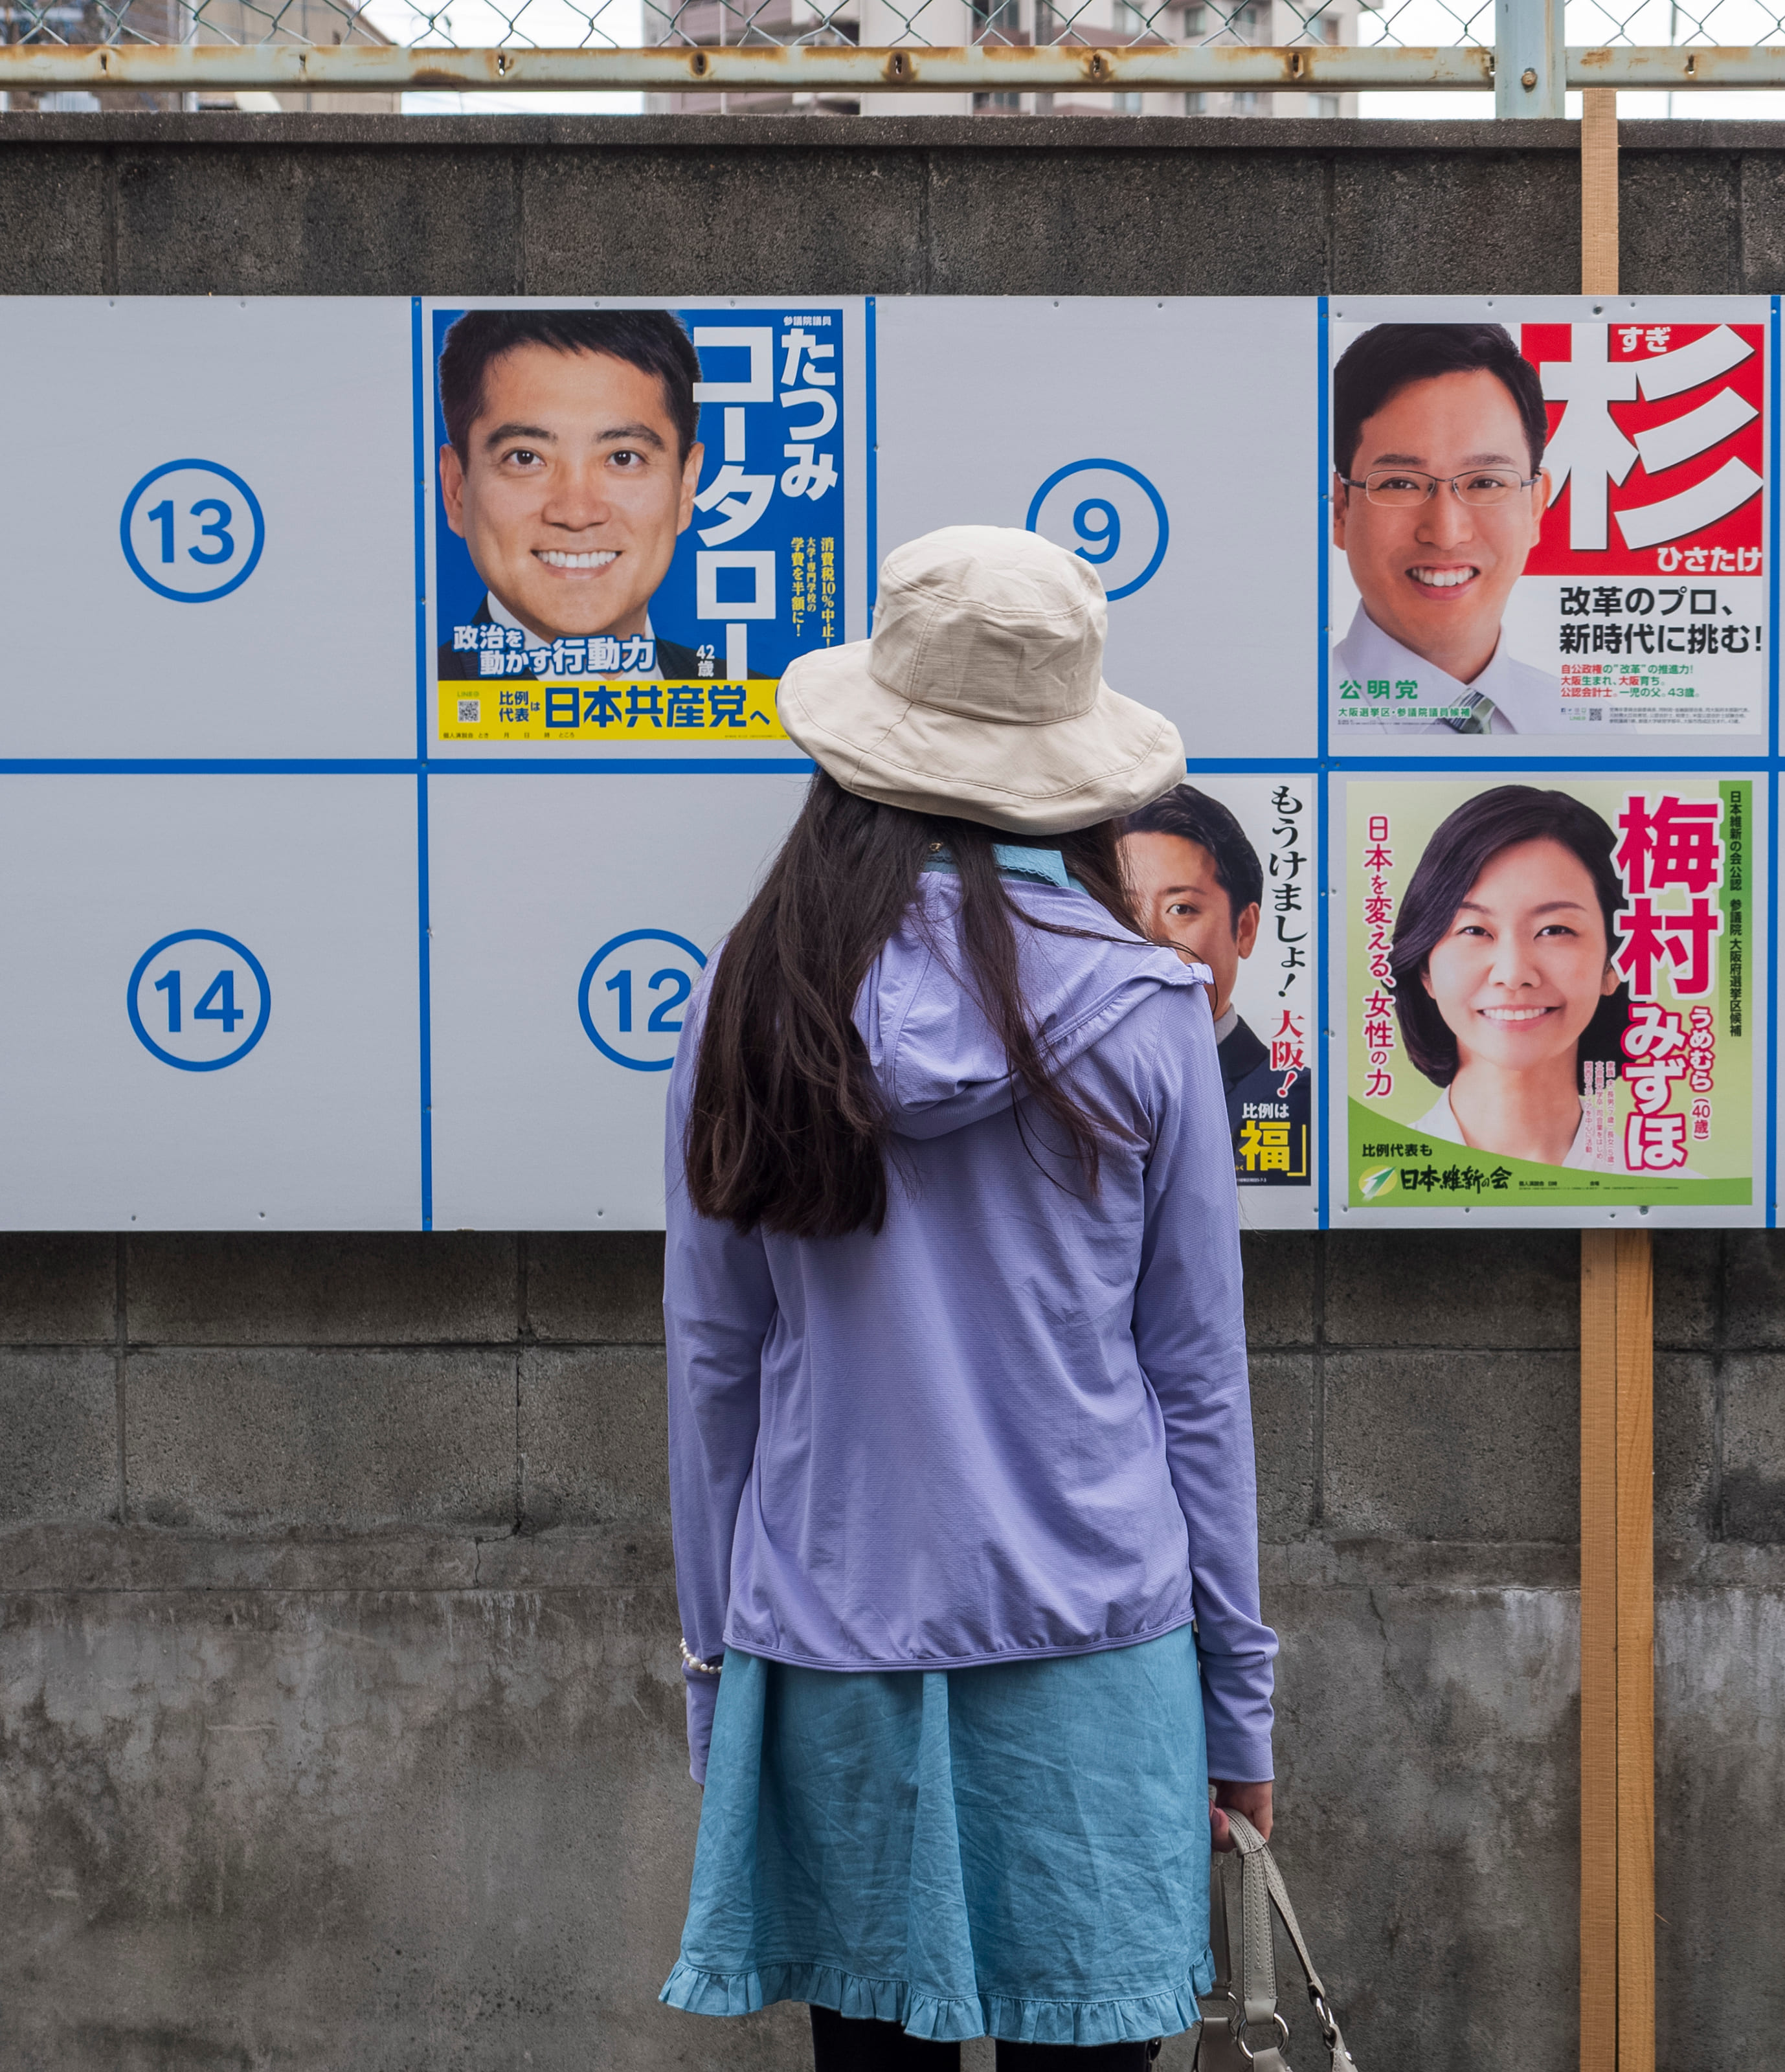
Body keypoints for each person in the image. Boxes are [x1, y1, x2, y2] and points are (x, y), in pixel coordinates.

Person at [659, 526, 1277, 2071]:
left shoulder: (755, 1001)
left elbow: (712, 1365)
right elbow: (1192, 1378)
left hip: (827, 1640)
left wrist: (713, 1667)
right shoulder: (1147, 1014)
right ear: (1071, 772)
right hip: (1093, 1649)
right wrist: (1238, 1706)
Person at [437, 308, 714, 680]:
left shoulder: (763, 708)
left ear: (686, 488)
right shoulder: (412, 705)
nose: (577, 513)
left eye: (623, 457)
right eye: (526, 458)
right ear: (456, 488)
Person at [1329, 323, 1561, 735]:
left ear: (1536, 508)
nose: (1446, 533)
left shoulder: (1587, 729)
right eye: (1400, 483)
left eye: (1486, 482)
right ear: (1341, 508)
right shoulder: (1283, 720)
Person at [1386, 785, 1632, 1169]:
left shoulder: (1677, 1194)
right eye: (1474, 931)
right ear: (1425, 969)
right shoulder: (1372, 1181)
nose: (1514, 974)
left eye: (1554, 930)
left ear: (1614, 963)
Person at [1120, 783, 1313, 1186]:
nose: (1148, 939)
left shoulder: (1290, 1096)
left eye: (1181, 908)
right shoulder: (1075, 1081)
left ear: (1244, 929)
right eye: (1123, 908)